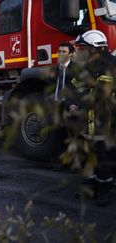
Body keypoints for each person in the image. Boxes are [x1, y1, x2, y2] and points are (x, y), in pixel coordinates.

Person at [73, 30, 116, 207]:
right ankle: (91, 187)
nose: (79, 52)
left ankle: (104, 191)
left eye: (82, 48)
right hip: (89, 121)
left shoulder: (108, 65)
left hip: (105, 121)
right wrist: (70, 102)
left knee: (104, 158)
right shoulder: (88, 65)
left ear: (93, 49)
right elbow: (75, 87)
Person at [51, 42, 81, 113]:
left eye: (64, 52)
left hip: (68, 107)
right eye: (59, 51)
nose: (61, 54)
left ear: (70, 54)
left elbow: (79, 90)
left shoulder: (76, 69)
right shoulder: (53, 69)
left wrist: (73, 104)